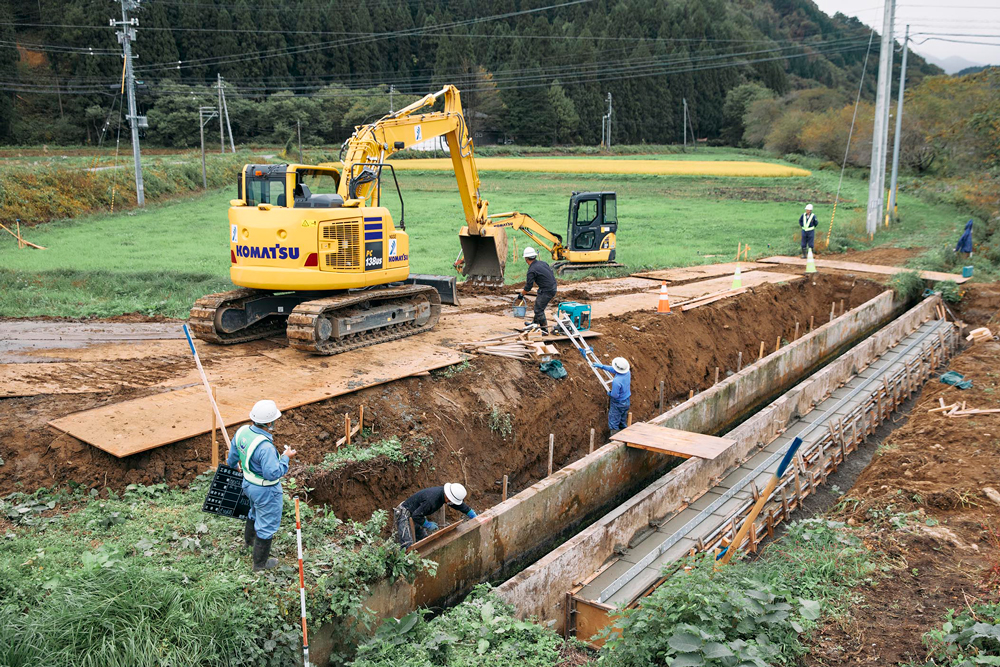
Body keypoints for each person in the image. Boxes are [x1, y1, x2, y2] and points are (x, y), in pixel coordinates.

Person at [226, 399, 296, 572]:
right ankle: (259, 565)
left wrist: (235, 466)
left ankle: (249, 543)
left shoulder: (242, 431)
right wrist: (286, 457)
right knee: (267, 524)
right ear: (270, 423)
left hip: (248, 484)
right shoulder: (266, 447)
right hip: (266, 490)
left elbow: (232, 457)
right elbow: (272, 473)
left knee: (254, 511)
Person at [394, 483, 477, 548]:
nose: (451, 503)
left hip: (417, 512)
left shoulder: (444, 494)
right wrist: (427, 524)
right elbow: (416, 515)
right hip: (405, 513)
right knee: (407, 545)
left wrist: (470, 513)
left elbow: (457, 505)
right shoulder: (431, 500)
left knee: (424, 541)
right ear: (448, 497)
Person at [521, 247, 557, 335]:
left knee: (538, 310)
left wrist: (521, 295)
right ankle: (534, 324)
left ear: (526, 259)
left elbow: (528, 287)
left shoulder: (531, 270)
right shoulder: (543, 263)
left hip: (547, 290)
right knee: (538, 306)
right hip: (552, 287)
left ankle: (545, 331)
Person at [592, 357, 632, 435]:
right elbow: (613, 369)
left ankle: (615, 441)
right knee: (622, 421)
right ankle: (625, 435)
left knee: (614, 423)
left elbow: (615, 395)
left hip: (618, 403)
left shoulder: (616, 381)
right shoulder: (627, 373)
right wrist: (602, 366)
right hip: (626, 401)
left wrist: (610, 394)